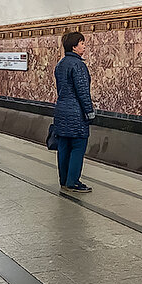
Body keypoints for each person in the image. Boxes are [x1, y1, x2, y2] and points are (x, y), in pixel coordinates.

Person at [53, 31, 95, 193]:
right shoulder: (78, 65)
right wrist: (89, 112)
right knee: (78, 147)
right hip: (76, 113)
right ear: (74, 46)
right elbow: (83, 91)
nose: (84, 46)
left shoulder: (61, 64)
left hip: (61, 110)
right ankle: (73, 181)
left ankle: (64, 180)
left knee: (64, 146)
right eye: (82, 43)